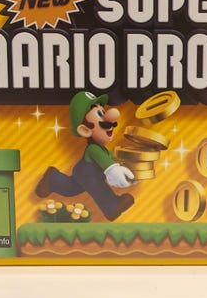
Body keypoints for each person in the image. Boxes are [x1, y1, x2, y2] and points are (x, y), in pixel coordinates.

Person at [35, 91, 135, 221]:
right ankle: (111, 206)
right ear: (85, 130)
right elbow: (107, 163)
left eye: (103, 112)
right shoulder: (93, 149)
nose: (110, 120)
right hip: (87, 174)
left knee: (71, 188)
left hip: (83, 173)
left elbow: (110, 159)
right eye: (100, 114)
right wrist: (113, 169)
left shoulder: (102, 149)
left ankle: (53, 178)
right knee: (97, 186)